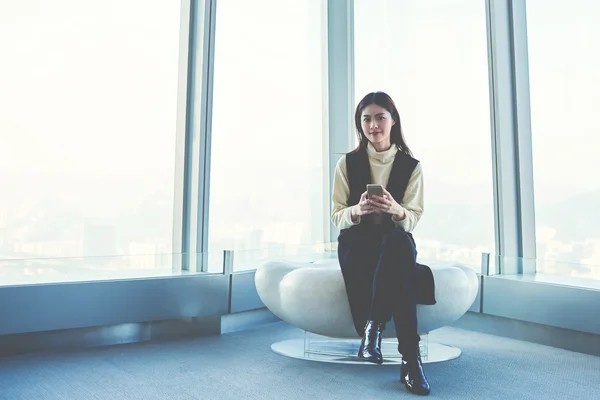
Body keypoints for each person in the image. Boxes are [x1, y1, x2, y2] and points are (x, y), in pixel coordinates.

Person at [331, 91, 435, 396]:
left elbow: (412, 218)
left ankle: (373, 329)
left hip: (394, 240)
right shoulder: (347, 164)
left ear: (393, 121)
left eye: (380, 117)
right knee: (401, 268)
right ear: (359, 124)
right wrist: (357, 210)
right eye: (366, 119)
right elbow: (337, 215)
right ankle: (411, 361)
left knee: (398, 243)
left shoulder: (411, 166)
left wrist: (396, 210)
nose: (373, 125)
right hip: (358, 241)